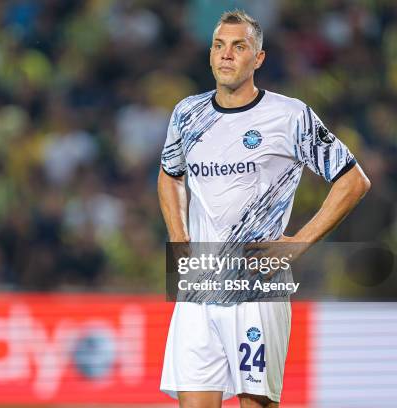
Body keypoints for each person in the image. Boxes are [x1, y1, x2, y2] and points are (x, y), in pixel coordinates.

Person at [157, 10, 370, 408]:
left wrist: (299, 243)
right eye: (219, 46)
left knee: (255, 404)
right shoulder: (187, 114)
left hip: (257, 283)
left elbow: (353, 179)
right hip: (200, 283)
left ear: (258, 58)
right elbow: (170, 175)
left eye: (239, 47)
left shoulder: (289, 116)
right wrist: (179, 238)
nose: (226, 55)